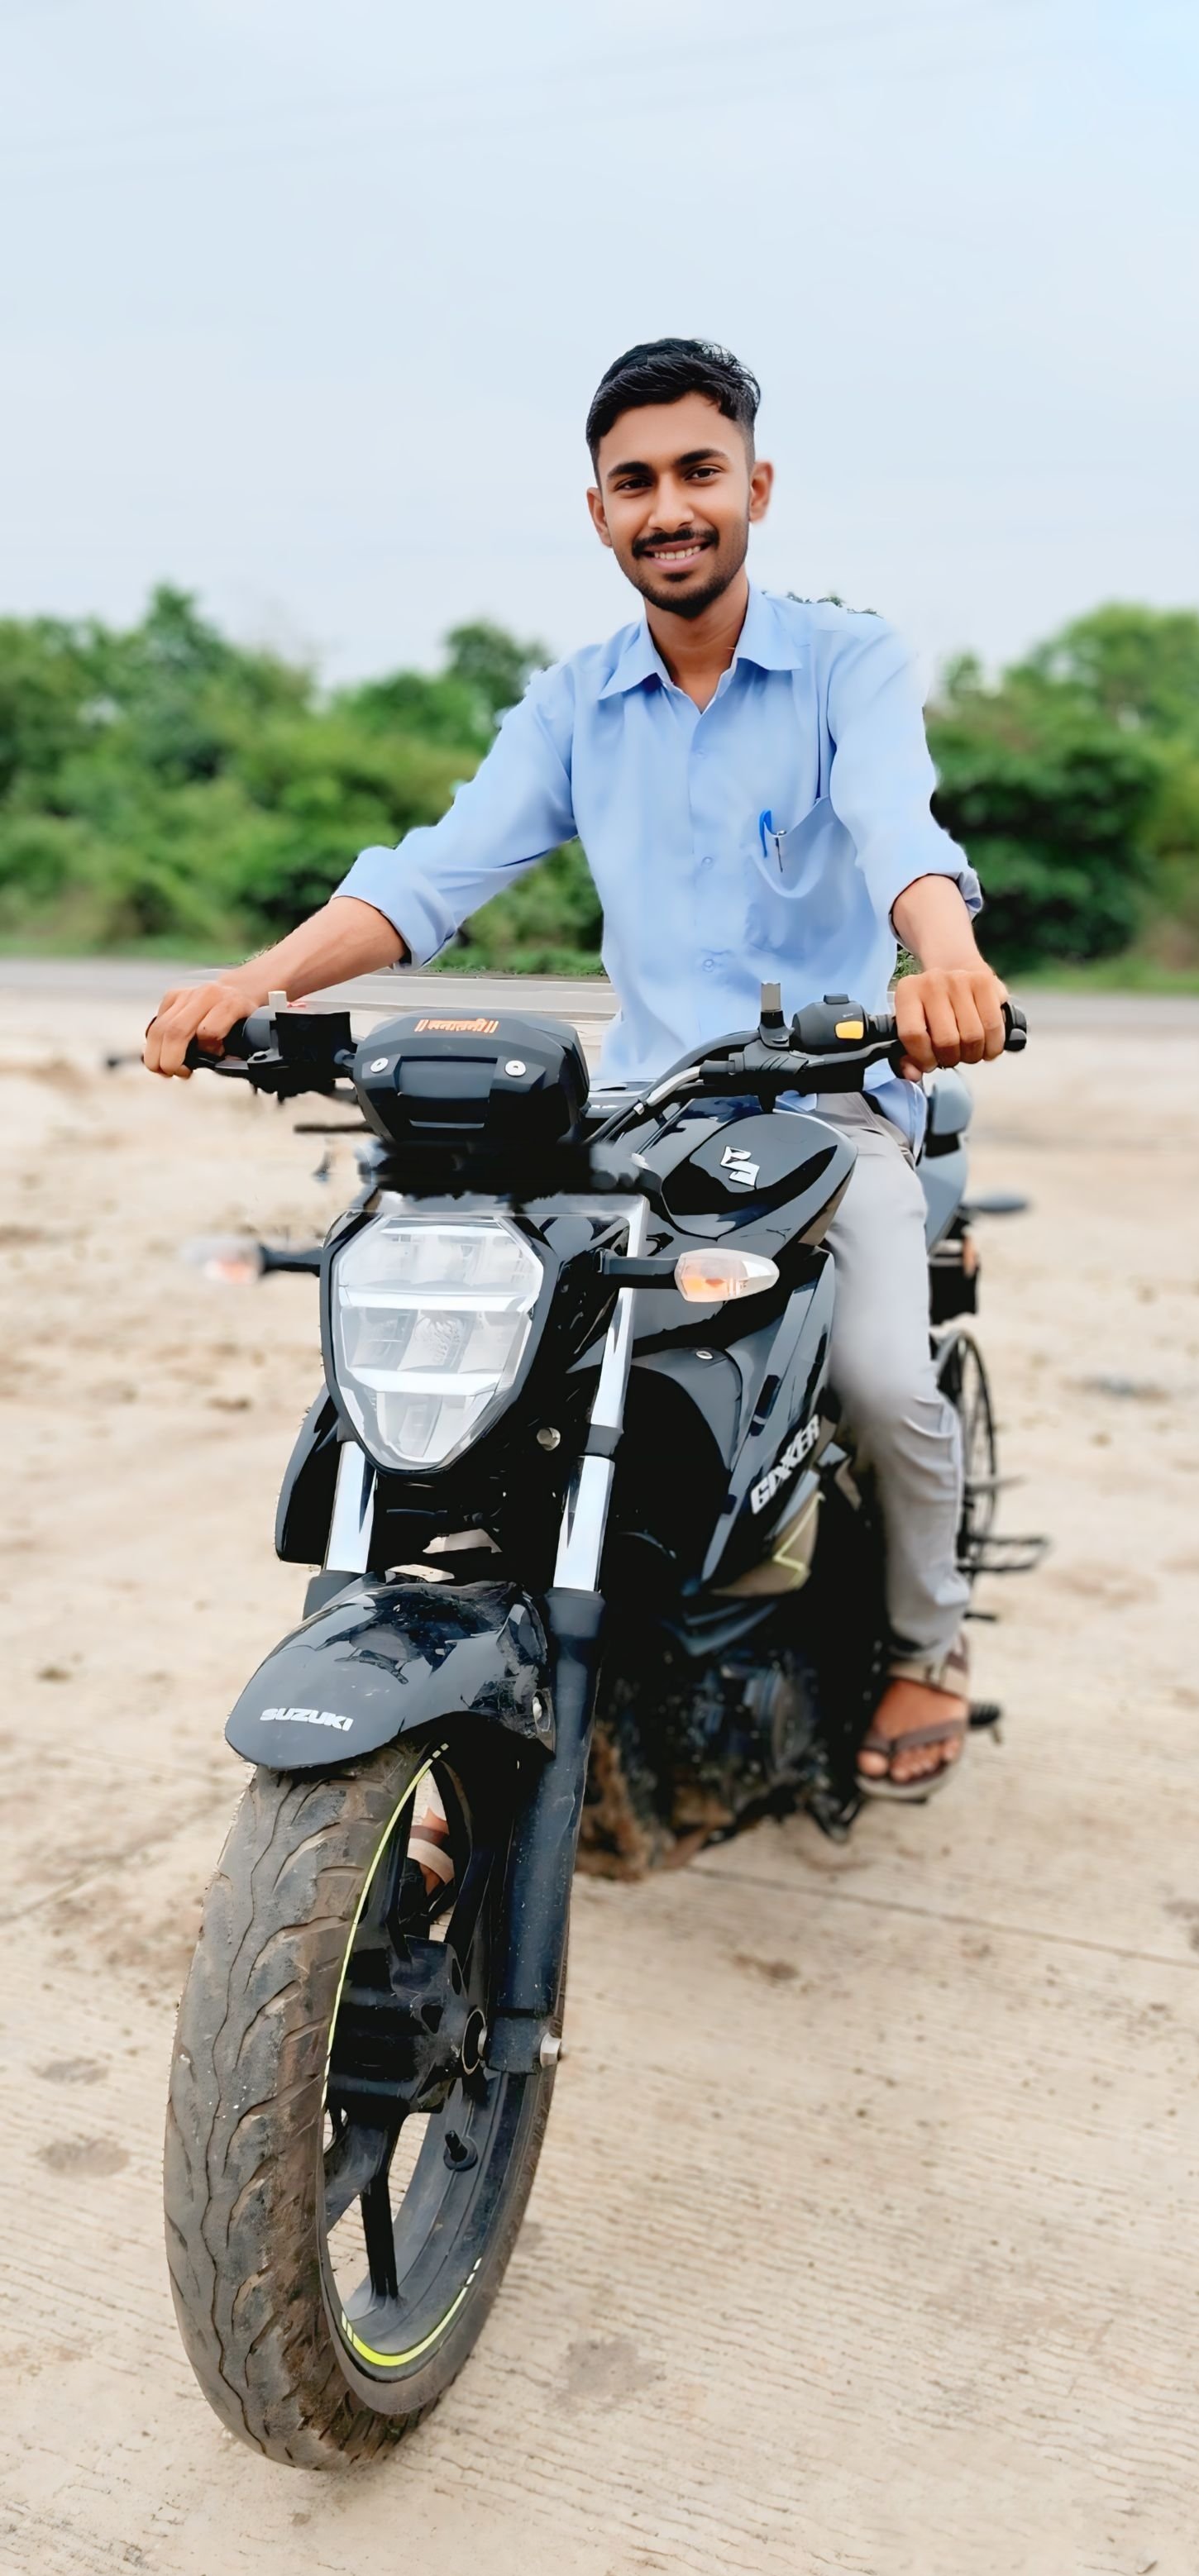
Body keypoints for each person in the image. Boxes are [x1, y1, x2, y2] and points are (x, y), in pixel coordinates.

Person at [145, 336, 1008, 1796]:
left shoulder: (845, 664)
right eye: (636, 482)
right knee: (495, 1334)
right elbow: (432, 874)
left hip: (826, 1108)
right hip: (642, 1110)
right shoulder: (575, 703)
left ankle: (930, 1640)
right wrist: (257, 982)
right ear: (599, 511)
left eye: (699, 473)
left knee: (875, 1378)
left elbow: (896, 827)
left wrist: (945, 958)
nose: (670, 508)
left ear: (756, 488)